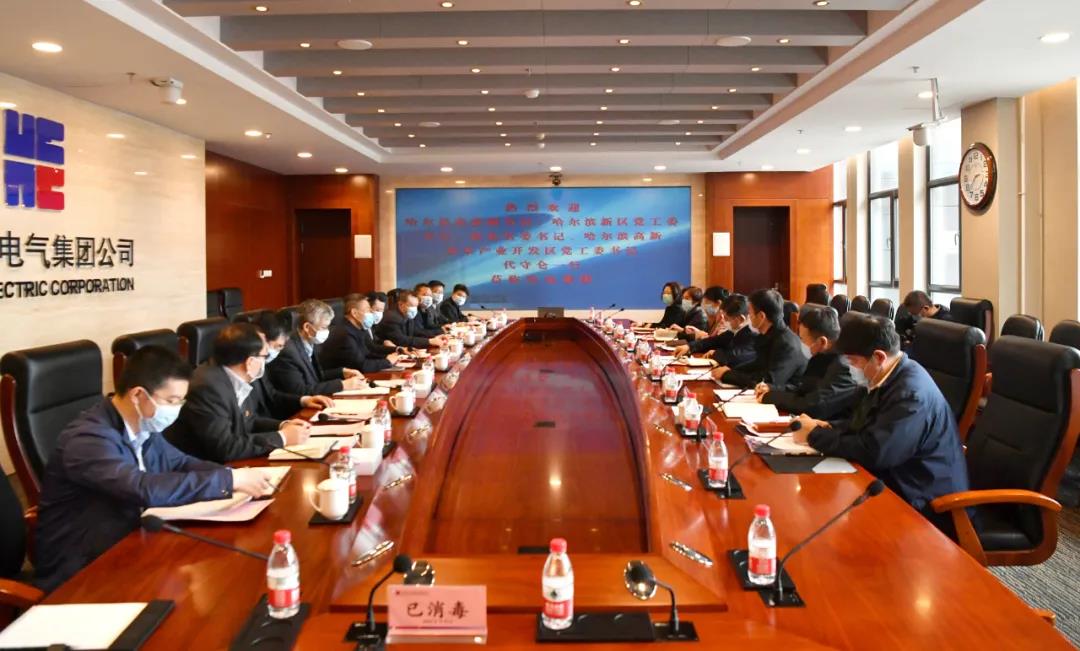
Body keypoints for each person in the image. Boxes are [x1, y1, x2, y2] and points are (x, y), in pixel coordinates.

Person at [35, 346, 279, 592]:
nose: (177, 408)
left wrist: (236, 476)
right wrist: (228, 481)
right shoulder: (89, 439)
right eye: (171, 401)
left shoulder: (142, 425)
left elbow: (181, 462)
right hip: (83, 570)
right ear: (138, 395)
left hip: (133, 543)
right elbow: (142, 488)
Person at [792, 314, 969, 533]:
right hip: (896, 480)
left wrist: (814, 435)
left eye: (853, 362)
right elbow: (862, 424)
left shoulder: (911, 394)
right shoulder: (888, 376)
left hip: (926, 502)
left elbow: (876, 451)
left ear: (878, 357)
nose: (851, 368)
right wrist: (827, 427)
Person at [166, 323, 312, 462]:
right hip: (206, 467)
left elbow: (248, 421)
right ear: (250, 362)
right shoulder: (208, 387)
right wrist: (282, 438)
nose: (266, 362)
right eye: (265, 356)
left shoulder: (236, 376)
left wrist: (283, 426)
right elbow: (224, 447)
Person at [756, 306, 860, 420]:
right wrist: (772, 388)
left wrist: (771, 397)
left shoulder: (845, 365)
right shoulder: (821, 356)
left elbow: (814, 405)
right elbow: (805, 388)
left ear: (822, 341)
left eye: (803, 339)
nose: (801, 343)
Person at [267, 299, 367, 396]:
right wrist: (342, 385)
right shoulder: (288, 352)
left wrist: (341, 372)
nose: (327, 331)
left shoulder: (310, 342)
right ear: (307, 327)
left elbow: (313, 377)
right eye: (324, 327)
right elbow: (300, 391)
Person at [712, 289, 806, 389]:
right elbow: (758, 365)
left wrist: (727, 375)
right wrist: (730, 371)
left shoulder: (786, 343)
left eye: (750, 313)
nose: (748, 317)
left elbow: (768, 381)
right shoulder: (768, 335)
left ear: (761, 316)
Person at [254, 312, 336, 419]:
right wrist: (281, 427)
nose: (276, 351)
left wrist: (304, 400)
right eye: (278, 346)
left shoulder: (261, 364)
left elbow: (272, 395)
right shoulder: (251, 366)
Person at [321, 293, 404, 372]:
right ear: (354, 313)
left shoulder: (358, 328)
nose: (371, 314)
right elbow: (362, 366)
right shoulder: (345, 334)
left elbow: (370, 351)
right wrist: (387, 361)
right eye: (368, 310)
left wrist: (395, 352)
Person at [672, 293, 757, 367]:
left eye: (727, 318)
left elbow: (735, 357)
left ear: (741, 319)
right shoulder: (735, 329)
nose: (723, 320)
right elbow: (713, 341)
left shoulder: (752, 333)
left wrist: (716, 353)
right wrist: (689, 347)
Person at [380, 289, 451, 349]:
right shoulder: (392, 318)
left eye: (416, 306)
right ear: (401, 304)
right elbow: (401, 340)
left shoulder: (408, 315)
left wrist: (435, 337)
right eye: (411, 305)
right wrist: (430, 341)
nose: (414, 309)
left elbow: (416, 332)